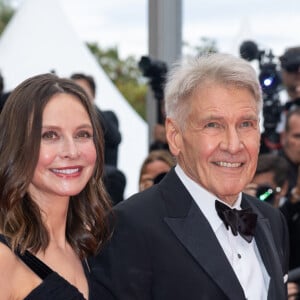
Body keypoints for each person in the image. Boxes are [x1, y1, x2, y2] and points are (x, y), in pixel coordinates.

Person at [92, 53, 289, 299]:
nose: (233, 144)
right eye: (213, 125)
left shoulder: (271, 220)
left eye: (246, 124)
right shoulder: (129, 227)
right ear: (175, 136)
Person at [0, 73, 113, 299]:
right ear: (17, 146)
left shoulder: (96, 245)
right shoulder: (4, 258)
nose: (72, 151)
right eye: (50, 135)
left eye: (83, 134)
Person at [70, 73, 121, 166]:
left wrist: (89, 106)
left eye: (82, 91)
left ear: (93, 95)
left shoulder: (108, 116)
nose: (78, 95)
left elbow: (114, 138)